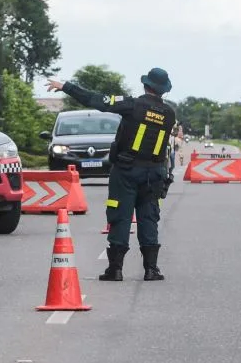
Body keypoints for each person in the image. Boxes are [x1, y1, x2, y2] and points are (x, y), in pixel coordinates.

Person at [45, 67, 176, 281]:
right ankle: (151, 269)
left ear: (145, 85)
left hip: (126, 171)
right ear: (163, 90)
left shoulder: (133, 105)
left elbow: (96, 100)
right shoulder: (169, 113)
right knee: (149, 218)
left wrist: (66, 86)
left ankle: (115, 269)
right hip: (154, 173)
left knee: (120, 216)